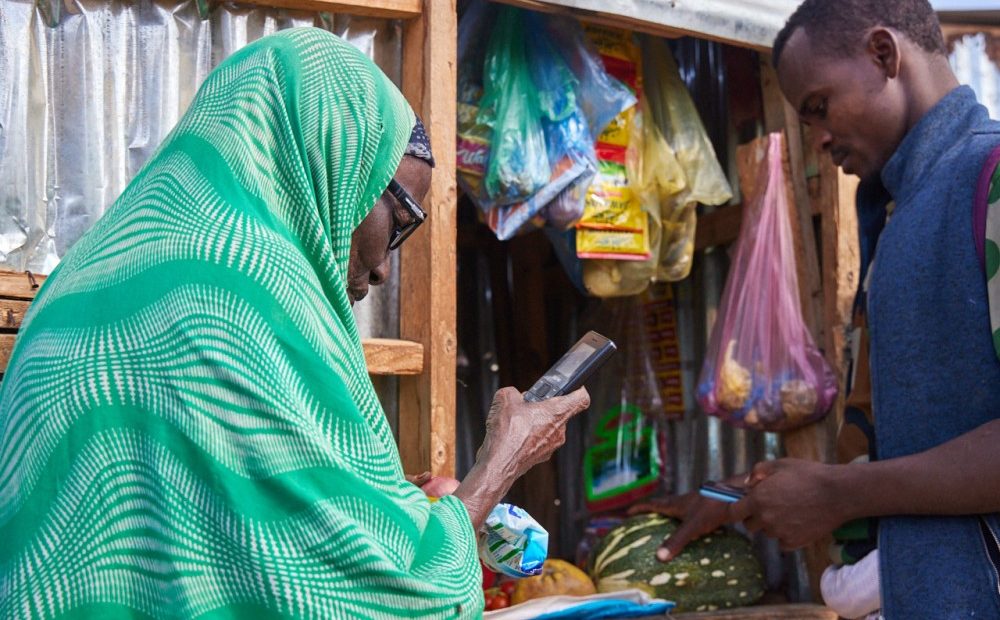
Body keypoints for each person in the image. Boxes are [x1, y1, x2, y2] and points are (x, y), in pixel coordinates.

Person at [0, 28, 589, 619]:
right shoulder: (241, 294)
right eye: (401, 218)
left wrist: (369, 504)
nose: (385, 268)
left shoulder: (83, 276)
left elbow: (197, 519)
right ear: (331, 156)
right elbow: (391, 599)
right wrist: (500, 463)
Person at [632, 1, 1000, 617]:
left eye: (819, 108)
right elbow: (919, 449)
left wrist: (840, 493)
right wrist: (753, 493)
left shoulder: (989, 179)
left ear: (885, 55)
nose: (819, 139)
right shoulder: (897, 212)